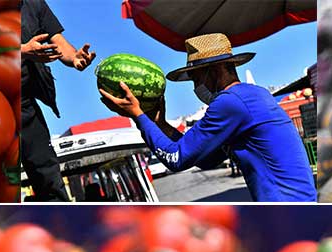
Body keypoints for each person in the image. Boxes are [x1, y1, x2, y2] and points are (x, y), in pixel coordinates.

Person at [99, 33, 317, 202]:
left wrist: (138, 116)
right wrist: (161, 125)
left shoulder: (230, 102)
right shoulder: (253, 94)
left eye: (196, 77)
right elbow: (208, 159)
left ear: (217, 70)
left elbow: (177, 159)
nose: (196, 86)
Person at [21, 0, 96, 201]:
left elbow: (59, 43)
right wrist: (21, 51)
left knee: (47, 172)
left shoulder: (34, 4)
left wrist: (74, 58)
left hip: (24, 105)